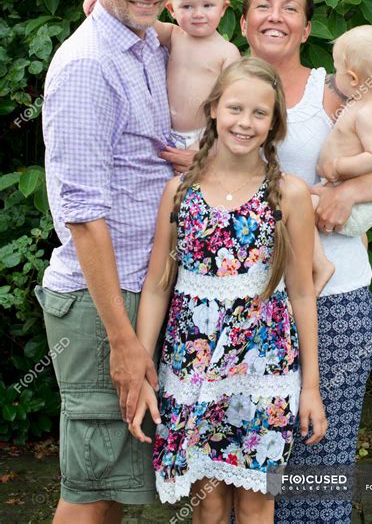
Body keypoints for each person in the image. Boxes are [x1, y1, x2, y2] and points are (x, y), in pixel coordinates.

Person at [236, 0, 372, 524]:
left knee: (319, 458)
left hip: (334, 298)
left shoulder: (337, 90)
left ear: (306, 27)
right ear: (243, 20)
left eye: (290, 7)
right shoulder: (223, 84)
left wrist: (351, 193)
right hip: (243, 304)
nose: (276, 15)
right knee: (245, 466)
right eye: (263, 5)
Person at [129, 57, 328, 523]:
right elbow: (158, 286)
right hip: (192, 366)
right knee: (208, 506)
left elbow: (301, 293)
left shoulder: (289, 194)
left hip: (263, 369)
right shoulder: (180, 191)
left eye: (260, 113)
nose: (246, 122)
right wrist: (141, 367)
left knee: (259, 503)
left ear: (274, 123)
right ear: (215, 108)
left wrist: (311, 386)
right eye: (236, 109)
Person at [36, 0, 176, 523]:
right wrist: (122, 342)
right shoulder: (89, 65)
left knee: (117, 484)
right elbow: (85, 217)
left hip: (132, 291)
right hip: (103, 305)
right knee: (91, 493)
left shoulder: (139, 41)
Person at [84, 0, 241, 150]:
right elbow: (135, 19)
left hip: (206, 136)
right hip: (167, 135)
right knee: (171, 181)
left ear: (223, 8)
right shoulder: (174, 36)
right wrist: (101, 0)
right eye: (187, 6)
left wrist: (208, 144)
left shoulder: (227, 53)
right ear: (172, 9)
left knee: (202, 180)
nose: (198, 14)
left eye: (208, 6)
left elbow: (235, 106)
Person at [315, 24, 372, 237]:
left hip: (354, 207)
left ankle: (318, 263)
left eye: (337, 70)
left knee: (294, 203)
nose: (335, 75)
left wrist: (337, 166)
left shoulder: (366, 114)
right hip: (344, 195)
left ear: (353, 78)